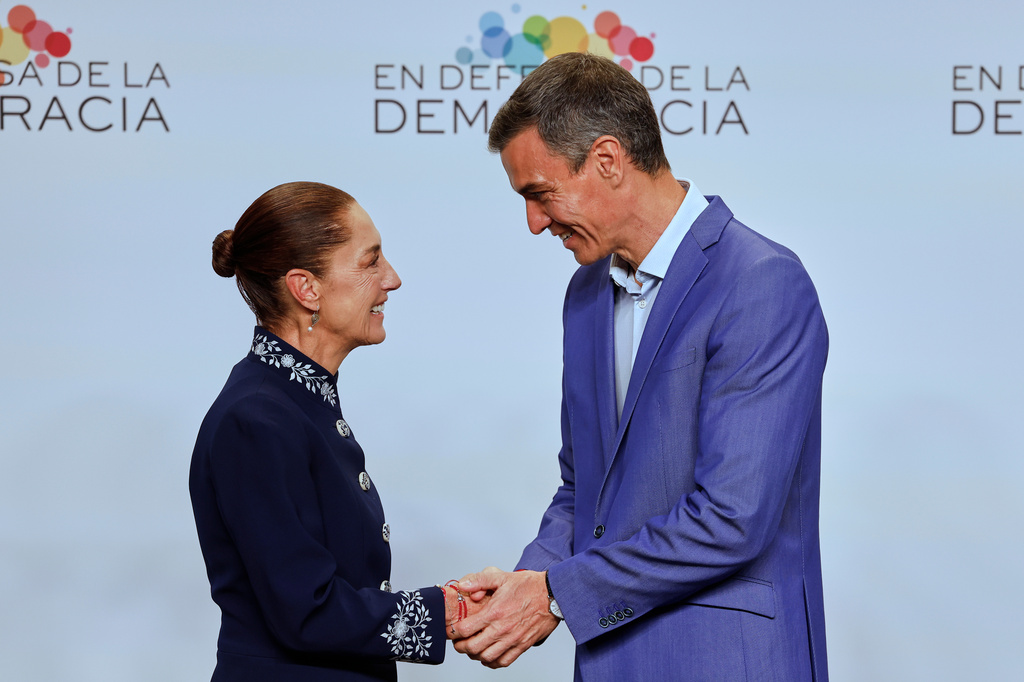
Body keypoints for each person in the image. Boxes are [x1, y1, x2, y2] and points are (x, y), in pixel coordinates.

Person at [452, 53, 830, 681]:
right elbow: (584, 489)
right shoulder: (585, 294)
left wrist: (553, 595)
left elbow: (731, 519)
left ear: (607, 159)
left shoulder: (762, 283)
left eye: (540, 194)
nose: (534, 223)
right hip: (607, 659)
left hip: (723, 662)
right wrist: (525, 583)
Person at [190, 181, 477, 681]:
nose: (393, 279)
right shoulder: (256, 419)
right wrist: (447, 611)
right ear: (307, 288)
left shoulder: (294, 401)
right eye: (370, 262)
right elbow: (307, 610)